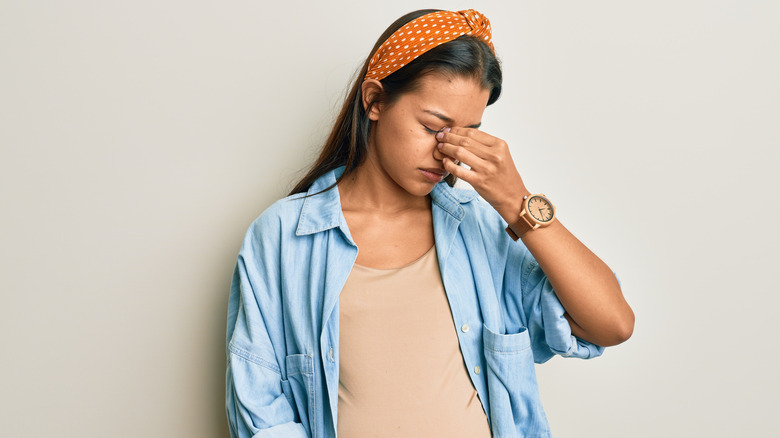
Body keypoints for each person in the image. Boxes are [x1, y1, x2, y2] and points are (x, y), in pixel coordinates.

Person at [225, 8, 634, 438]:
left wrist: (517, 203)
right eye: (433, 127)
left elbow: (612, 324)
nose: (450, 152)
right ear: (375, 101)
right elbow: (260, 411)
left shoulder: (477, 228)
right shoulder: (284, 238)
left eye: (468, 133)